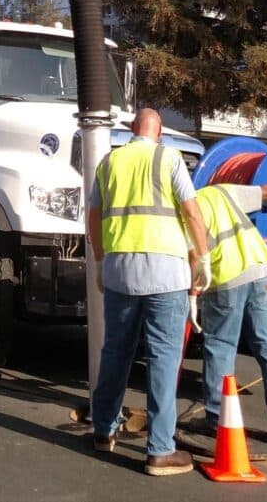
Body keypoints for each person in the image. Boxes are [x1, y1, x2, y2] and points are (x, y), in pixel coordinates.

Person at [86, 108, 210, 477]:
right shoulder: (168, 158)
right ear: (159, 133)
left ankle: (103, 430)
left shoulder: (109, 162)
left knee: (115, 352)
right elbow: (191, 212)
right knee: (163, 360)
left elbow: (94, 217)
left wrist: (100, 261)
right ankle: (160, 450)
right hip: (166, 274)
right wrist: (203, 257)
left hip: (120, 272)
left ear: (132, 130)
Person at [187, 178, 267, 442]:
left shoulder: (187, 206)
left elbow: (193, 255)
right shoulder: (223, 192)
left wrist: (192, 293)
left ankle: (215, 419)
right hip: (258, 275)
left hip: (225, 281)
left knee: (220, 349)